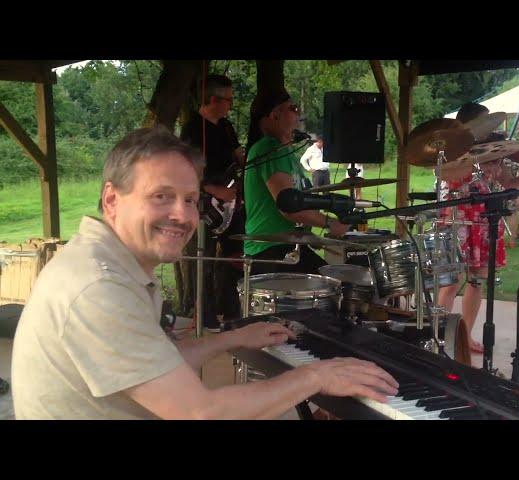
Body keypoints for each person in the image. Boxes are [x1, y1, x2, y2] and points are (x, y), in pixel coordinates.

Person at [10, 126, 398, 420]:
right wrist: (316, 377)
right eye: (161, 196)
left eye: (191, 199)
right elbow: (199, 412)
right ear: (112, 199)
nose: (182, 215)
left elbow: (155, 359)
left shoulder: (108, 263)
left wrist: (229, 339)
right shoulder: (98, 286)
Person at [437, 103, 519, 354]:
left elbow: (512, 184)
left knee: (477, 281)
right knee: (451, 282)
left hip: (485, 221)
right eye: (484, 122)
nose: (490, 128)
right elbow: (445, 175)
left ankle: (465, 336)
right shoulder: (451, 150)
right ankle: (440, 337)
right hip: (459, 220)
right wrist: (475, 158)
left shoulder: (492, 151)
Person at [243, 90, 351, 275]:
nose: (298, 114)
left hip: (284, 246)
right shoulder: (269, 149)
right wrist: (329, 223)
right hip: (269, 250)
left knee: (337, 283)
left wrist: (307, 235)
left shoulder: (286, 153)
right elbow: (289, 207)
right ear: (275, 115)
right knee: (335, 286)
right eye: (293, 108)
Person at [180, 74, 245, 329]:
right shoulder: (192, 129)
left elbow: (236, 157)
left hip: (230, 200)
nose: (230, 105)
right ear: (213, 99)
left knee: (236, 255)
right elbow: (184, 170)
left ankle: (231, 312)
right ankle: (205, 316)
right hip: (204, 202)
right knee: (203, 260)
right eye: (227, 100)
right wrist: (214, 189)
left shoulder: (227, 127)